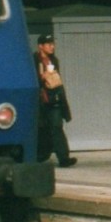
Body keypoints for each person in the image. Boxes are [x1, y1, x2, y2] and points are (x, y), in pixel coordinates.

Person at [35, 33, 76, 167]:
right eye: (49, 44)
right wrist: (42, 77)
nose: (52, 47)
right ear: (40, 46)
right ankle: (39, 156)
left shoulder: (54, 60)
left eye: (53, 44)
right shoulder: (34, 60)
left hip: (54, 99)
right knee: (43, 128)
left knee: (57, 127)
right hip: (41, 100)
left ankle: (63, 158)